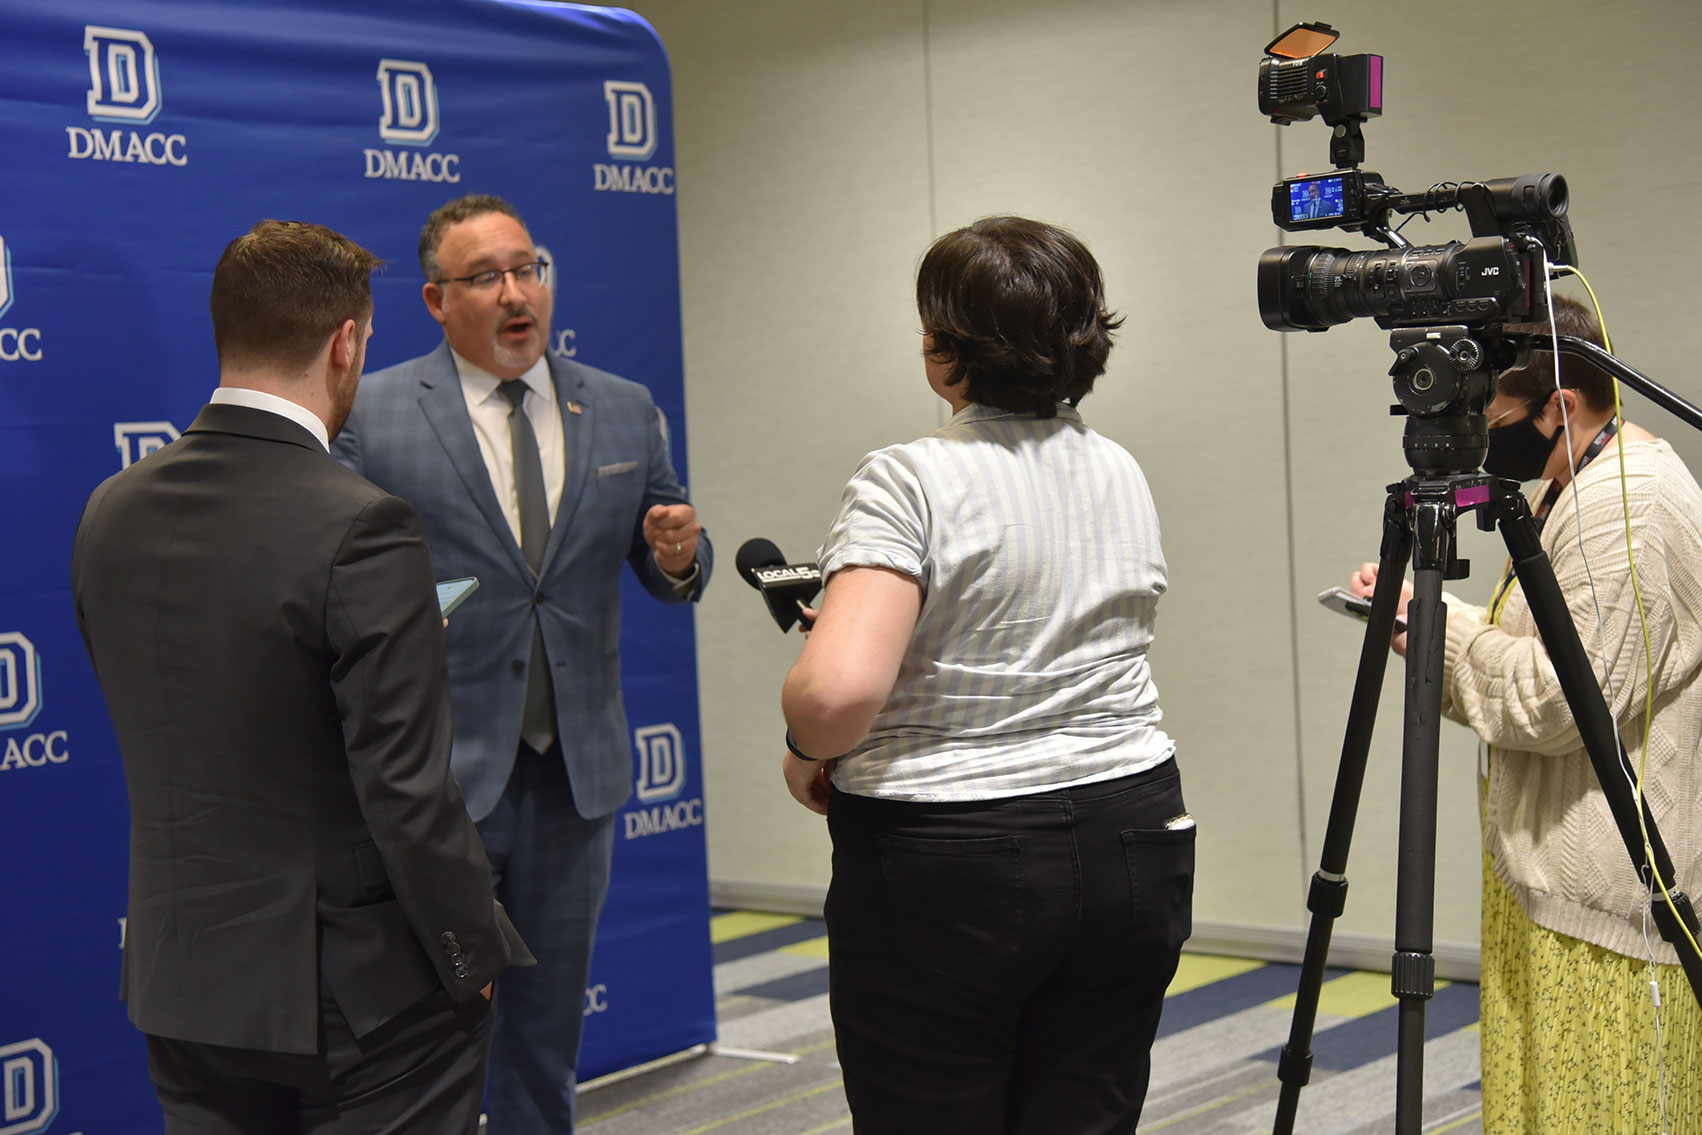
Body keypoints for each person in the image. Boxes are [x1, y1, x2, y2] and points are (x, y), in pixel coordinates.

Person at [71, 220, 529, 1133]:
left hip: (182, 988)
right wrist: (469, 954)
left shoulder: (107, 511)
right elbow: (407, 792)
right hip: (361, 1009)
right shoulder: (363, 525)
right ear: (346, 343)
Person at [780, 216, 1193, 1134]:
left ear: (942, 348)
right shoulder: (1118, 467)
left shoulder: (908, 478)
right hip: (1133, 829)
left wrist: (805, 746)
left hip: (952, 854)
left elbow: (839, 693)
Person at [332, 192, 711, 1133]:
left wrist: (676, 556)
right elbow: (325, 582)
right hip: (435, 780)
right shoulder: (372, 416)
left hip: (572, 778)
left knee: (546, 1034)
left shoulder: (622, 409)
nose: (515, 293)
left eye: (528, 268)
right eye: (486, 277)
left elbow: (676, 563)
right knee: (428, 1030)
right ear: (433, 300)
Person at [1349, 295, 1702, 1133]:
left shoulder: (1630, 507)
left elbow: (1556, 701)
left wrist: (1435, 641)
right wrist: (1430, 615)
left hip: (1613, 904)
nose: (1479, 433)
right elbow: (1558, 646)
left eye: (1492, 409)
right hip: (1556, 876)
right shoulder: (1578, 478)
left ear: (1560, 406)